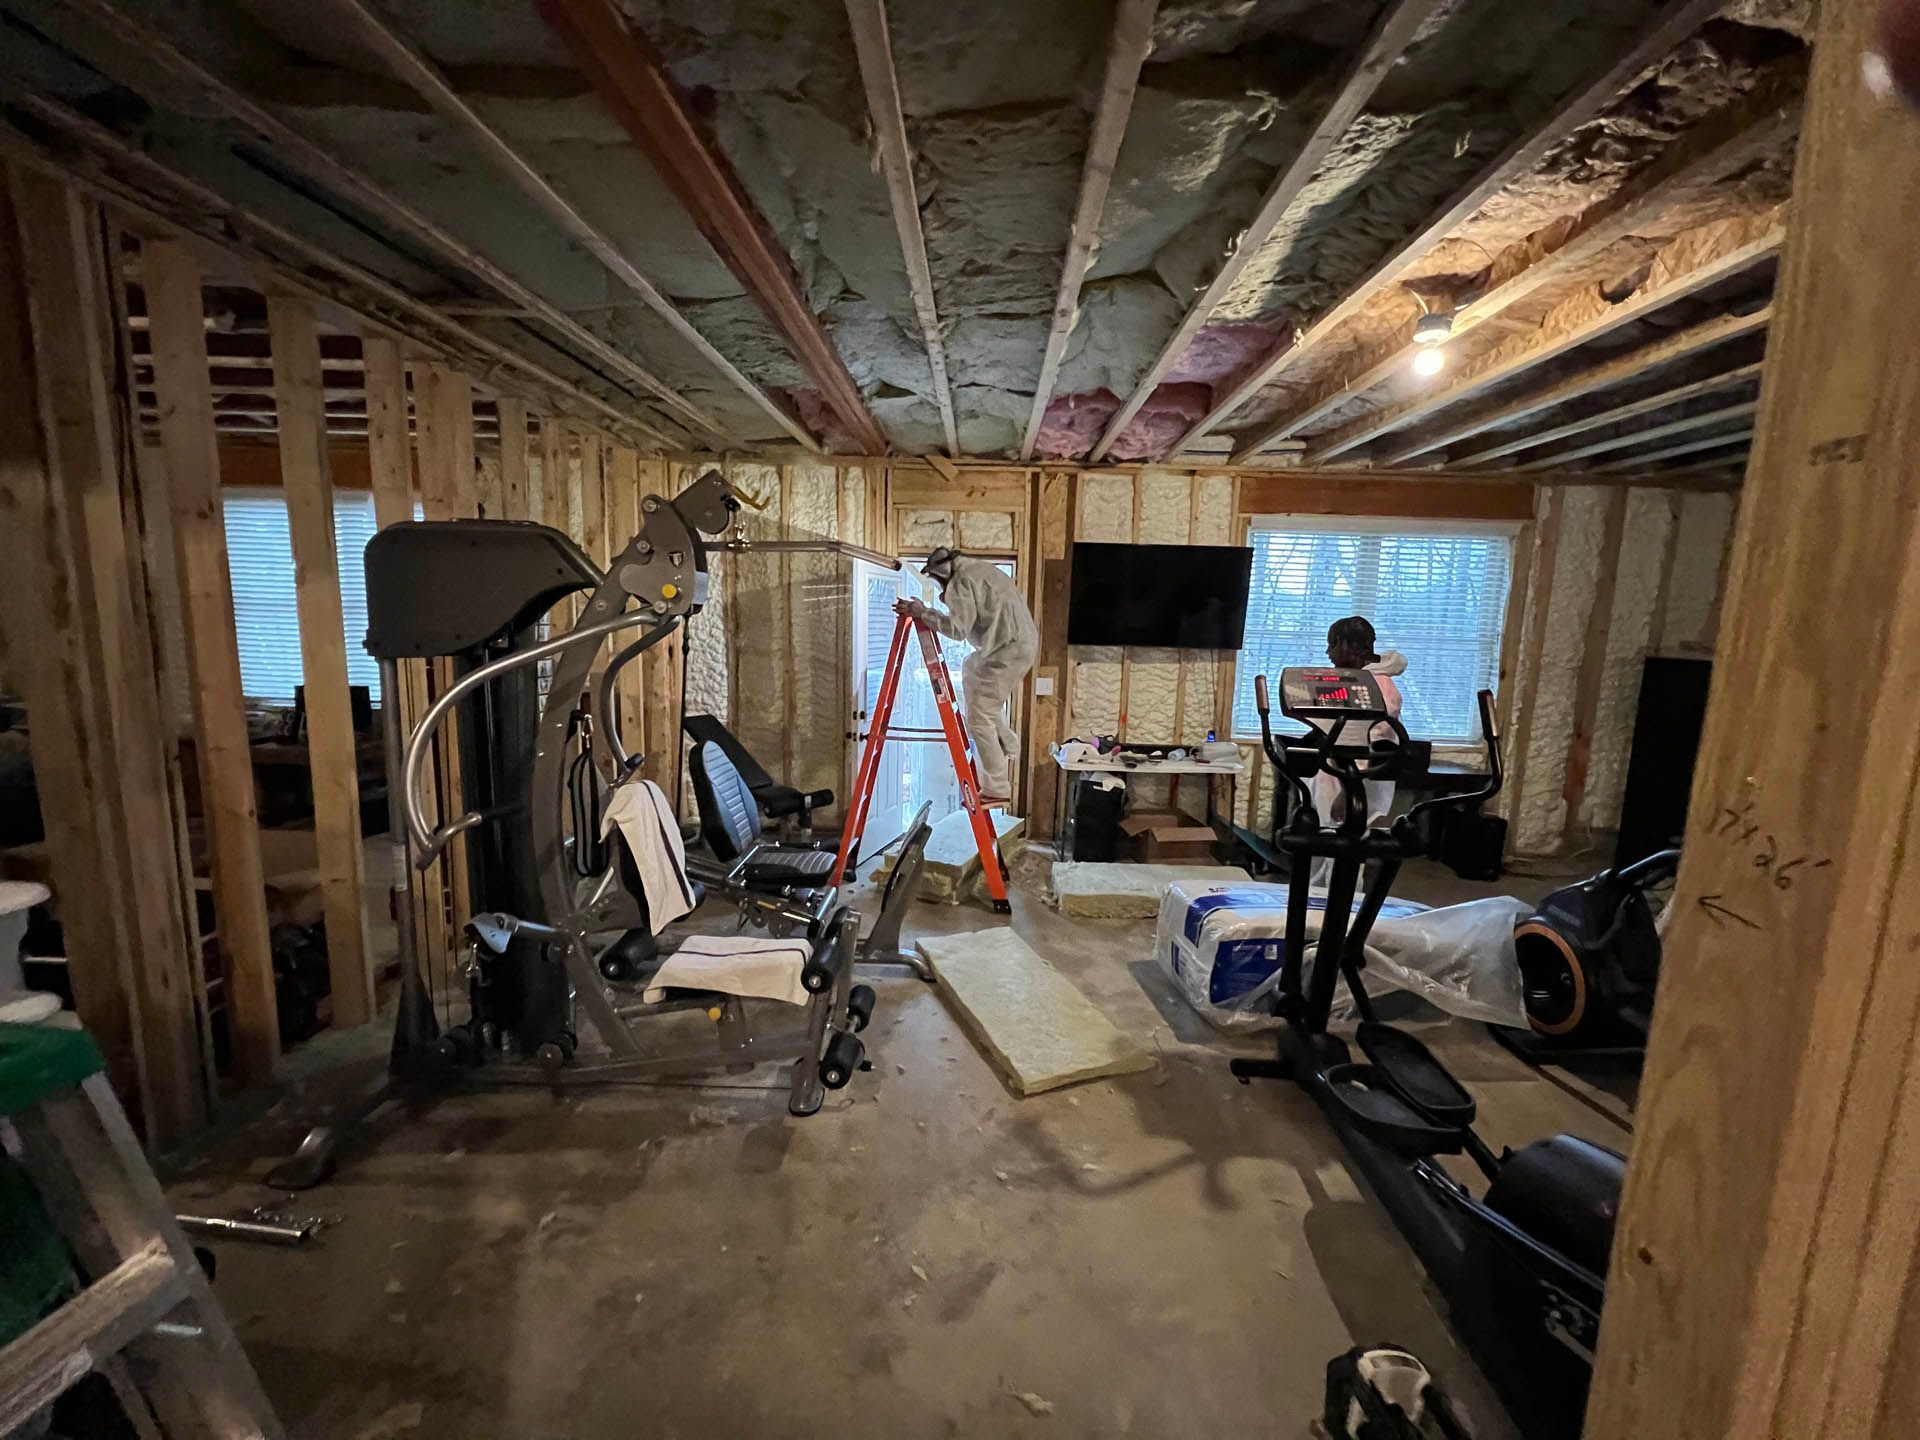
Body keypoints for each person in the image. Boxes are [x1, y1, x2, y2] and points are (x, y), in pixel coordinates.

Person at [894, 546, 1038, 806]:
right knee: (972, 669)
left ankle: (997, 788)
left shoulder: (961, 581)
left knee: (979, 718)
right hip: (1013, 647)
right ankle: (1007, 742)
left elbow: (957, 630)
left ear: (941, 572)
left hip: (1006, 651)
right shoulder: (981, 570)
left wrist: (922, 612)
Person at [1309, 616, 1407, 886]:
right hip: (1335, 769)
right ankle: (1317, 899)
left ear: (1349, 646)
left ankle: (1341, 904)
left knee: (1344, 846)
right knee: (1325, 843)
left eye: (1332, 645)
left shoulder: (1378, 687)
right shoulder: (1353, 679)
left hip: (1354, 777)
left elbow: (1373, 740)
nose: (1327, 652)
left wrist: (1350, 790)